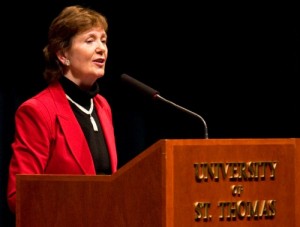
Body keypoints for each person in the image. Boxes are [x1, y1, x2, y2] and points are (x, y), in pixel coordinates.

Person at [7, 5, 118, 214]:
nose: (101, 48)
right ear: (63, 55)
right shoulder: (38, 111)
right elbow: (19, 195)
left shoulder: (103, 107)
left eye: (103, 40)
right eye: (90, 40)